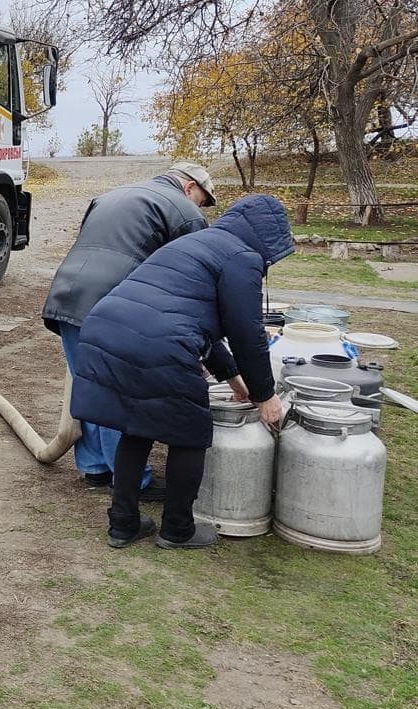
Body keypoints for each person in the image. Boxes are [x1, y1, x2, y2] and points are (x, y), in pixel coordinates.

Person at [70, 194, 293, 549]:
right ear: (269, 238)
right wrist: (265, 397)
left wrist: (236, 381)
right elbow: (246, 333)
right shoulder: (243, 258)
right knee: (189, 434)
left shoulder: (197, 242)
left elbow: (196, 324)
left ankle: (123, 525)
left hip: (106, 326)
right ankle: (177, 530)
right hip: (158, 340)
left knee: (135, 427)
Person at [42, 162, 216, 499]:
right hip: (111, 306)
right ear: (190, 187)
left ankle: (94, 468)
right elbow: (196, 275)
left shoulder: (111, 196)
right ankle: (132, 481)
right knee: (117, 393)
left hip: (66, 295)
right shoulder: (183, 210)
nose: (201, 208)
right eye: (203, 201)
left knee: (89, 384)